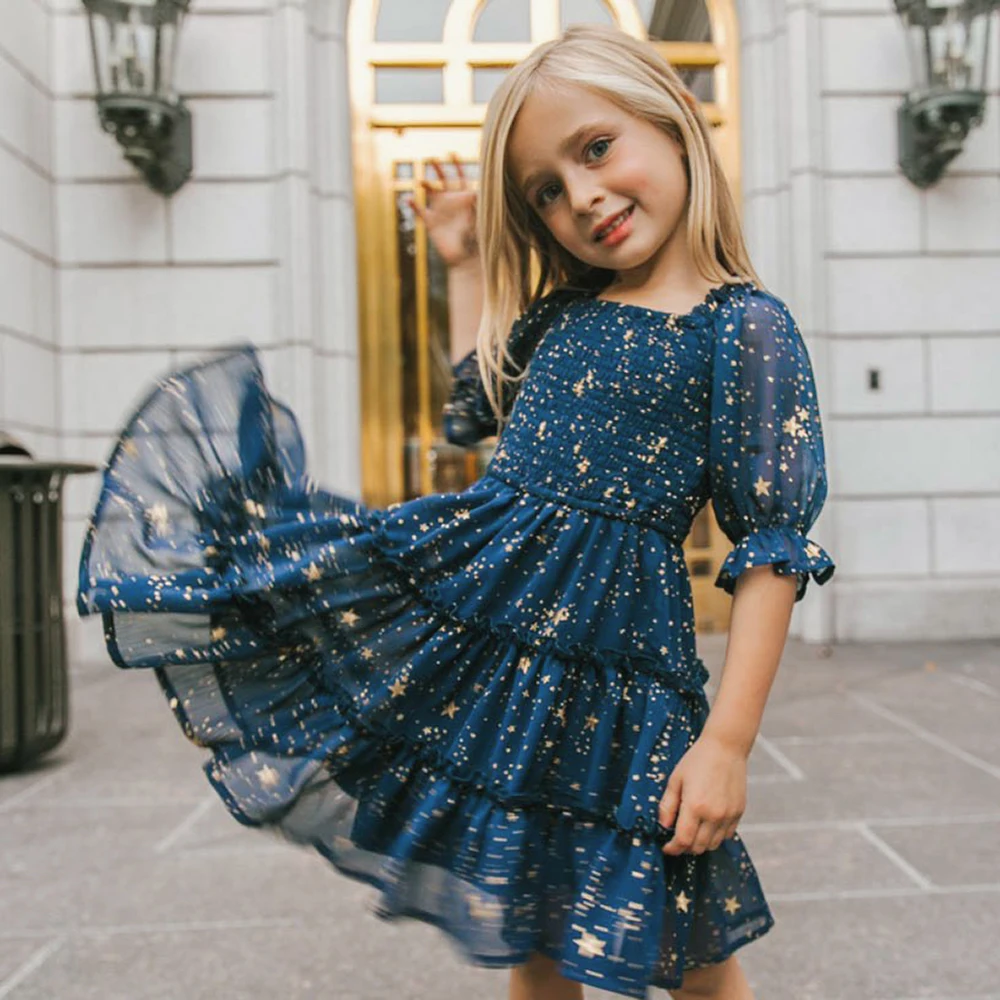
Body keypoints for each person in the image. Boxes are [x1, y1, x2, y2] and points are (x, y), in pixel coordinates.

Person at [77, 23, 835, 1000]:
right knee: (533, 934)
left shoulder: (741, 326)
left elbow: (771, 548)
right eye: (545, 191)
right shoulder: (562, 316)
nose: (581, 197)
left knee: (690, 944)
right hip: (502, 647)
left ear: (676, 119)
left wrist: (725, 744)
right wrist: (460, 262)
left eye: (596, 148)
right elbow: (478, 404)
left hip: (622, 671)